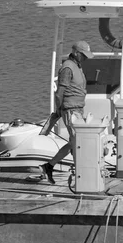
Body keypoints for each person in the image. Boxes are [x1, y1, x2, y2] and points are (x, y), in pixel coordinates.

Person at [40, 40, 94, 184]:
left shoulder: (77, 66)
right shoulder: (67, 68)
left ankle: (49, 166)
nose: (86, 58)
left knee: (73, 142)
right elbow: (59, 93)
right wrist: (59, 111)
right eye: (84, 55)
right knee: (77, 141)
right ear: (76, 53)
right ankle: (79, 175)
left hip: (78, 109)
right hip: (70, 110)